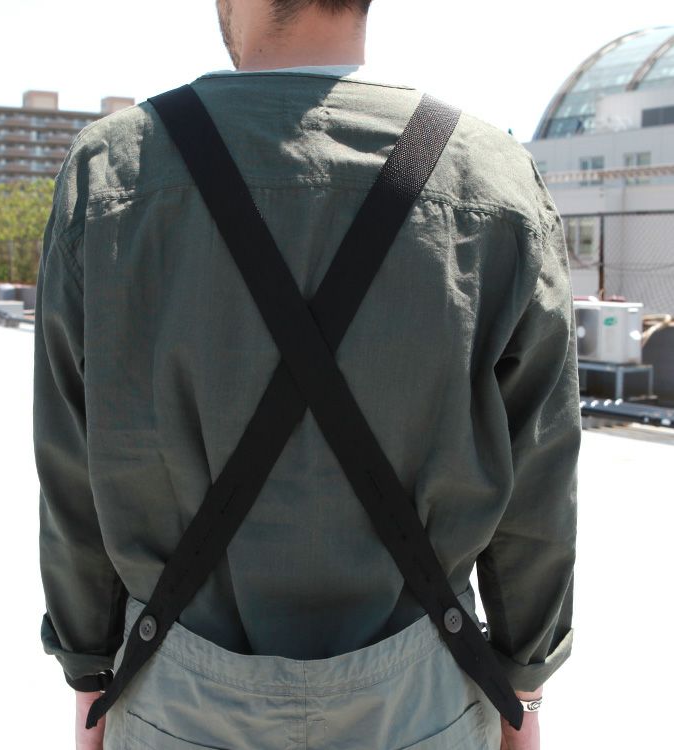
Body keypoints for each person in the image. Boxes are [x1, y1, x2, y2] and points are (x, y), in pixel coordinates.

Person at [33, 1, 580, 749]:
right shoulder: (493, 176)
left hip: (177, 696)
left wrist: (89, 671)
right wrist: (524, 683)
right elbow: (539, 477)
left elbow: (73, 468)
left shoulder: (112, 172)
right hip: (425, 701)